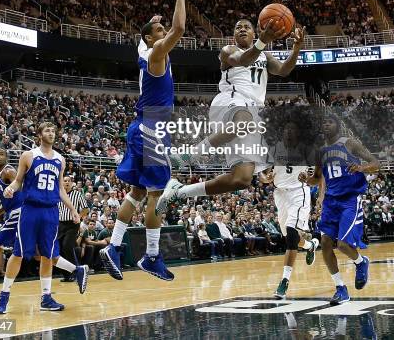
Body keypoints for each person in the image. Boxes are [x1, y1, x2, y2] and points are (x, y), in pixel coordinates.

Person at [156, 19, 305, 211]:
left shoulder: (265, 56)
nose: (242, 29)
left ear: (254, 32)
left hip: (254, 110)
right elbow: (242, 60)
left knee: (241, 179)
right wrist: (262, 41)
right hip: (232, 99)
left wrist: (297, 48)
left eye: (247, 27)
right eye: (238, 27)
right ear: (234, 35)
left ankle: (179, 191)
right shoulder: (228, 51)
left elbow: (284, 70)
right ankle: (189, 155)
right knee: (244, 123)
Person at [100, 0, 185, 282]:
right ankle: (151, 256)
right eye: (158, 30)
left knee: (136, 191)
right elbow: (180, 27)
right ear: (152, 39)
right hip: (155, 129)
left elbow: (145, 37)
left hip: (140, 126)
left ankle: (112, 247)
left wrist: (149, 26)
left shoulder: (143, 51)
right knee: (156, 194)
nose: (164, 31)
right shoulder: (158, 53)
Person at [0, 148, 87, 306]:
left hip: (21, 214)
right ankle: (77, 270)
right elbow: (11, 198)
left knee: (1, 250)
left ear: (7, 157)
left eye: (1, 154)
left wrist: (27, 212)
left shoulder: (9, 171)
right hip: (16, 213)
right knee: (39, 253)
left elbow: (24, 191)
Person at [0, 124, 87, 314]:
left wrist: (73, 210)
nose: (51, 134)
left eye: (53, 131)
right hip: (30, 210)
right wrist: (11, 188)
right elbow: (18, 180)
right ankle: (3, 296)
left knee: (47, 254)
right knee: (18, 253)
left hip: (51, 211)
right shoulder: (28, 155)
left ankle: (46, 298)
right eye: (47, 131)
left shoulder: (60, 159)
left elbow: (60, 189)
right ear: (39, 135)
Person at [299, 114, 380, 305]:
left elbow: (376, 164)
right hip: (330, 201)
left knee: (343, 245)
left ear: (338, 125)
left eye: (330, 122)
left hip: (349, 200)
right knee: (326, 244)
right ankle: (341, 288)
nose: (326, 124)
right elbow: (318, 178)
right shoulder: (321, 151)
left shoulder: (350, 143)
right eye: (323, 122)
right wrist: (306, 179)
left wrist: (361, 167)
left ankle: (361, 262)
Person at [260, 120, 319, 299]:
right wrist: (266, 178)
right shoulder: (274, 149)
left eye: (292, 130)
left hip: (298, 192)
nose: (289, 133)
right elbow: (262, 175)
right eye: (287, 130)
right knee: (292, 238)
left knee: (291, 238)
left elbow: (315, 177)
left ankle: (284, 281)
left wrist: (307, 178)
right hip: (280, 195)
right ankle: (311, 245)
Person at [58, 176, 89, 282]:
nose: (66, 182)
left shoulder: (77, 194)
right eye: (64, 181)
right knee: (60, 250)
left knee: (67, 246)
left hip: (72, 224)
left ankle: (77, 270)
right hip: (60, 224)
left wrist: (78, 217)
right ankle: (66, 275)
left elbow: (85, 209)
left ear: (72, 183)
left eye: (68, 181)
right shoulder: (58, 194)